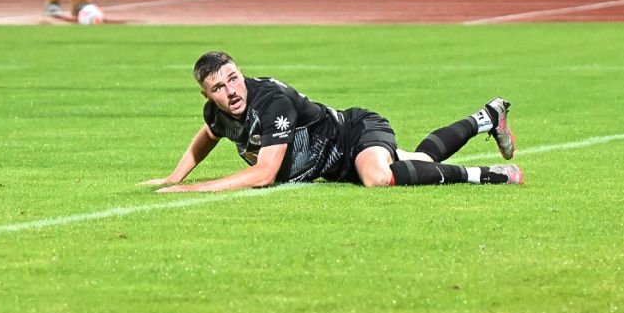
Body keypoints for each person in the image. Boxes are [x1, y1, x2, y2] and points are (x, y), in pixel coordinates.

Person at [146, 51, 523, 191]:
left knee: (377, 177)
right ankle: (487, 117)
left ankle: (489, 175)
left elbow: (264, 174)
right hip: (337, 167)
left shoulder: (272, 102)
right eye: (218, 87)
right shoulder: (216, 111)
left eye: (233, 78)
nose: (230, 90)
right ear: (207, 95)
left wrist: (193, 189)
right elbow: (208, 134)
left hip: (354, 133)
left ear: (241, 73)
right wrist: (174, 175)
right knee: (420, 163)